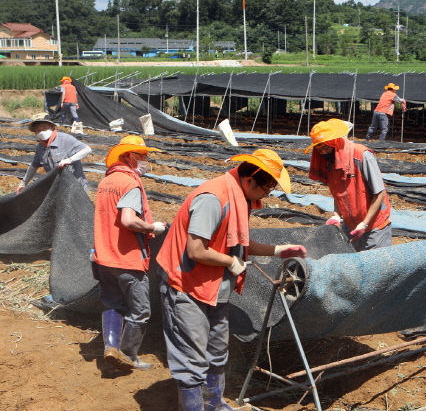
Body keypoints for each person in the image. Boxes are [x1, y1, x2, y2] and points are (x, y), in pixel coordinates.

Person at [156, 149, 307, 411]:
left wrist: (280, 250)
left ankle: (213, 404)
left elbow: (239, 243)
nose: (265, 197)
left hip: (214, 287)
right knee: (191, 359)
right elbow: (196, 250)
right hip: (186, 286)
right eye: (266, 190)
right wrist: (229, 262)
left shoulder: (239, 198)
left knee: (216, 351)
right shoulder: (213, 199)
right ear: (249, 181)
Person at [92, 135, 166, 371]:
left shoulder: (107, 181)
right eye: (143, 156)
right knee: (141, 311)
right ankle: (128, 355)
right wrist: (153, 227)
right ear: (131, 157)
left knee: (113, 303)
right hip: (128, 259)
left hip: (104, 257)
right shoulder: (130, 183)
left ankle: (111, 347)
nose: (145, 161)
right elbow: (128, 220)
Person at [306, 118, 392, 251]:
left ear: (334, 142)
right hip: (351, 227)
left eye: (325, 147)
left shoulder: (362, 155)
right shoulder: (330, 162)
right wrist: (336, 215)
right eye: (319, 149)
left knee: (375, 267)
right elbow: (338, 192)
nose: (322, 153)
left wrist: (364, 224)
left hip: (375, 228)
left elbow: (379, 193)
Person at [16, 112, 91, 194]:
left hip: (76, 187)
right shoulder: (41, 147)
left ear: (52, 127)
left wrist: (69, 160)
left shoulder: (65, 139)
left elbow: (87, 149)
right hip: (58, 188)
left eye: (44, 128)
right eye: (38, 130)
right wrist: (23, 183)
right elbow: (33, 166)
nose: (41, 132)